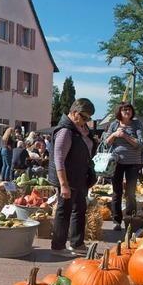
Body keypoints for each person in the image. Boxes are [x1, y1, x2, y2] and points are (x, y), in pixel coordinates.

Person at [48, 98, 97, 257]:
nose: (87, 121)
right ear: (75, 113)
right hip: (68, 178)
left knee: (79, 210)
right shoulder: (65, 131)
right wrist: (63, 184)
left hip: (79, 177)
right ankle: (58, 246)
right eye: (84, 117)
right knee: (64, 211)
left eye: (89, 118)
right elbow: (59, 160)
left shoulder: (79, 129)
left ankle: (77, 243)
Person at [103, 102, 143, 231]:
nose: (127, 112)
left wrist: (125, 136)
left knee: (130, 192)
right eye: (124, 110)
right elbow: (105, 144)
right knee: (116, 192)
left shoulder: (136, 124)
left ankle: (130, 220)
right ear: (119, 112)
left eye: (129, 109)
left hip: (133, 163)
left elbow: (140, 144)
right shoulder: (114, 125)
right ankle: (116, 220)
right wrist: (115, 134)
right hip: (116, 163)